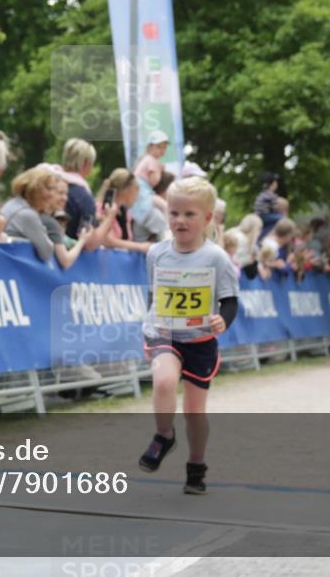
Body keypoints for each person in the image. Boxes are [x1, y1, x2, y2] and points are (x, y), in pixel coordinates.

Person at [137, 176, 239, 495]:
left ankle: (196, 466)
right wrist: (150, 327)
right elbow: (154, 295)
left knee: (194, 412)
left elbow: (230, 301)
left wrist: (222, 321)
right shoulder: (156, 253)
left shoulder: (216, 257)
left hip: (200, 341)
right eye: (174, 213)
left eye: (189, 214)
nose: (180, 220)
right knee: (164, 381)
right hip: (164, 335)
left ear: (207, 218)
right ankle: (164, 435)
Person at [1, 166, 91, 268]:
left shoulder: (12, 204)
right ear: (36, 189)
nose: (52, 194)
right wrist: (82, 240)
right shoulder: (28, 215)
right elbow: (47, 252)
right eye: (49, 188)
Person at [97, 168, 152, 254]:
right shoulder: (103, 209)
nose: (138, 194)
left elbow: (126, 241)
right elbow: (108, 241)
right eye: (137, 188)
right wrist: (140, 246)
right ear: (127, 190)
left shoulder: (124, 212)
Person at [60, 138, 99, 244]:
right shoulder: (84, 198)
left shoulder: (47, 184)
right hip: (71, 252)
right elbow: (89, 242)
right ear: (86, 164)